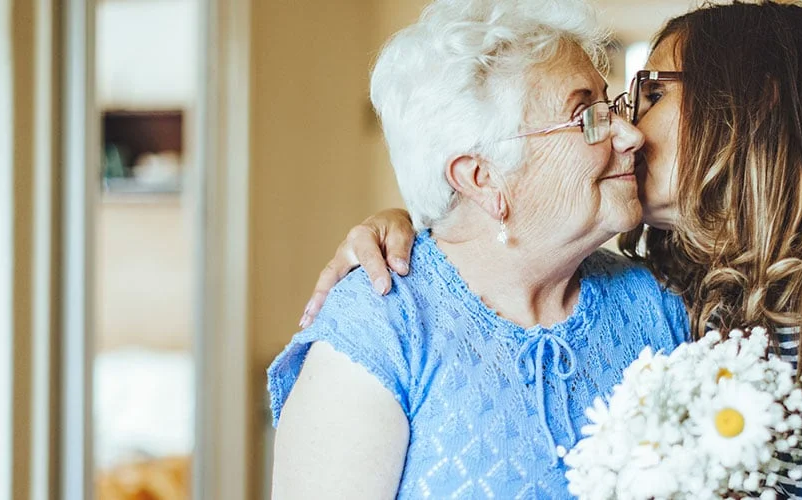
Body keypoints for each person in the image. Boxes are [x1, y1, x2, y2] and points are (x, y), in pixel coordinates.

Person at [302, 2, 802, 498]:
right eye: (603, 109)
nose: (627, 127)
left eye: (648, 93)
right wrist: (409, 227)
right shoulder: (696, 287)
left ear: (752, 103)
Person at [267, 0, 690, 497]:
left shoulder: (658, 304)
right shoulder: (381, 331)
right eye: (586, 116)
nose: (630, 135)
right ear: (482, 178)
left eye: (611, 106)